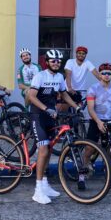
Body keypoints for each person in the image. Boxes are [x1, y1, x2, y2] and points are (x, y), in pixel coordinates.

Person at [27, 49, 80, 204]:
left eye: (58, 61)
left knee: (49, 150)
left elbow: (64, 94)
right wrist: (46, 109)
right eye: (53, 61)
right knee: (43, 150)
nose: (56, 63)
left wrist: (75, 106)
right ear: (47, 62)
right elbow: (31, 96)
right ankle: (37, 190)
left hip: (51, 117)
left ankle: (44, 183)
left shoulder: (59, 77)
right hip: (38, 116)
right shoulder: (40, 76)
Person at [83, 63, 111, 189]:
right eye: (104, 73)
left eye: (109, 73)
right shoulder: (93, 89)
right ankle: (82, 175)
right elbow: (90, 109)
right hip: (95, 121)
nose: (106, 75)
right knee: (89, 149)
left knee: (109, 151)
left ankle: (110, 176)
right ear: (100, 75)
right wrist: (98, 122)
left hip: (109, 122)